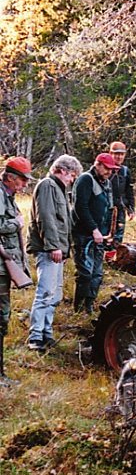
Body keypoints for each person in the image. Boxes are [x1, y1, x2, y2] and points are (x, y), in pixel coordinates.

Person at [26, 155, 83, 352]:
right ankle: (35, 337)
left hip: (58, 250)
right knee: (45, 293)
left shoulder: (58, 189)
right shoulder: (48, 186)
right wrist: (53, 246)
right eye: (72, 175)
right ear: (62, 171)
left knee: (54, 294)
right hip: (49, 250)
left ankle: (46, 333)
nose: (72, 180)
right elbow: (46, 218)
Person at [72, 153, 118, 314]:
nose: (109, 172)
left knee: (97, 273)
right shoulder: (85, 179)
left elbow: (110, 208)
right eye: (106, 168)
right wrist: (93, 229)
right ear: (97, 164)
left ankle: (89, 306)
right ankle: (78, 308)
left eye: (111, 170)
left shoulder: (106, 183)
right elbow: (80, 207)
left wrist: (109, 233)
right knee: (85, 273)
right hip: (84, 235)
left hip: (101, 236)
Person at [0, 157, 32, 385]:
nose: (24, 185)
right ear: (10, 178)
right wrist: (17, 223)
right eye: (21, 180)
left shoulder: (7, 196)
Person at [108, 141, 135, 244]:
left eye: (121, 154)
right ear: (111, 154)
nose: (119, 157)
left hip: (120, 208)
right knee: (106, 235)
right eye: (116, 154)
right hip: (107, 208)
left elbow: (129, 191)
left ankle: (115, 256)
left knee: (118, 236)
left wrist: (131, 208)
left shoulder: (125, 171)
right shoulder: (105, 169)